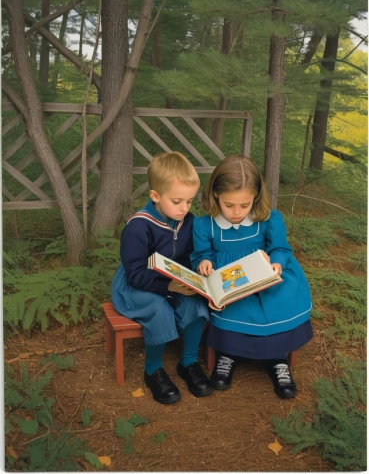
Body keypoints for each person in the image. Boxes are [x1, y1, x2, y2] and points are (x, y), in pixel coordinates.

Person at [191, 155, 313, 399]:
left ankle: (278, 359)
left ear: (256, 197)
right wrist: (204, 262)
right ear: (215, 194)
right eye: (229, 205)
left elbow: (279, 248)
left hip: (266, 277)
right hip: (232, 281)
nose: (237, 212)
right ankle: (228, 355)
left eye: (244, 205)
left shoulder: (268, 219)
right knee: (237, 307)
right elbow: (201, 254)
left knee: (279, 301)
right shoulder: (205, 225)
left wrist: (277, 263)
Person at [112, 152, 213, 404]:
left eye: (190, 201)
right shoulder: (138, 226)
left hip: (174, 281)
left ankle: (188, 363)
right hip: (138, 286)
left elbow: (189, 255)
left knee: (195, 304)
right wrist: (168, 286)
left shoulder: (187, 221)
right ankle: (153, 369)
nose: (185, 208)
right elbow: (134, 273)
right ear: (155, 196)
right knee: (159, 309)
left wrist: (197, 273)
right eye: (177, 201)